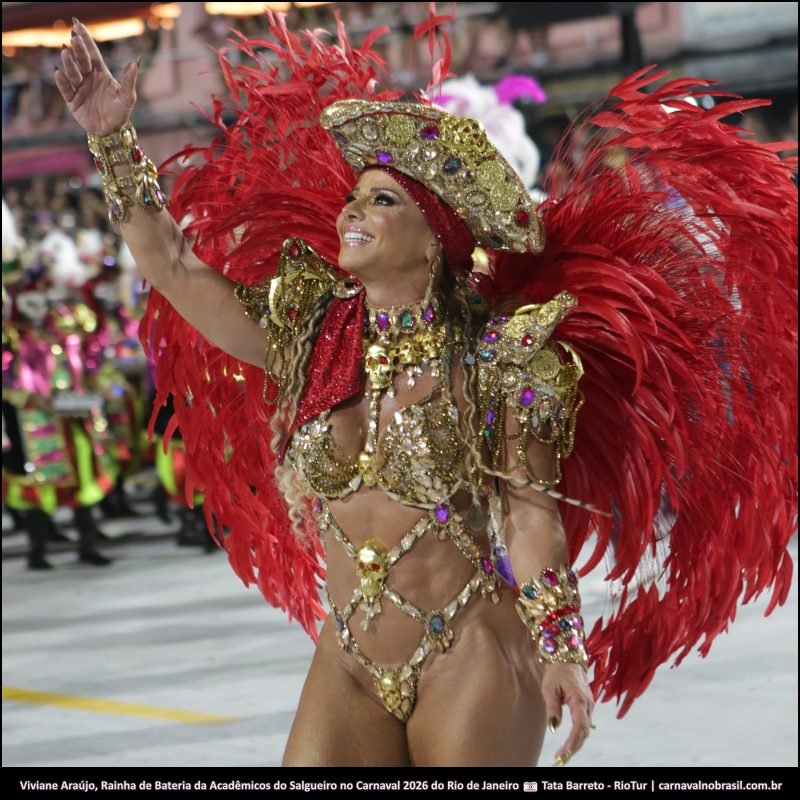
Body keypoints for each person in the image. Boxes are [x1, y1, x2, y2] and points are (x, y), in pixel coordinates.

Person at [55, 13, 796, 767]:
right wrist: (112, 140)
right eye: (355, 196)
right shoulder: (310, 333)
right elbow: (176, 268)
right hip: (346, 657)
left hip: (468, 652)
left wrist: (562, 647)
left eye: (383, 200)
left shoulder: (501, 360)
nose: (353, 210)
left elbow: (529, 517)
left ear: (436, 239)